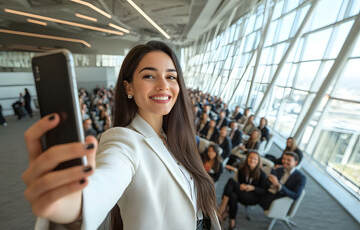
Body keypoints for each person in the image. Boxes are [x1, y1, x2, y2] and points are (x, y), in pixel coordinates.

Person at [22, 41, 221, 230]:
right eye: (149, 76)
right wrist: (70, 205)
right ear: (129, 87)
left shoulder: (176, 139)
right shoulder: (123, 141)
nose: (163, 85)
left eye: (171, 76)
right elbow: (106, 180)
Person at [219, 151, 267, 229]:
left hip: (253, 198)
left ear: (258, 161)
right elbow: (240, 183)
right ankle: (232, 222)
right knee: (233, 195)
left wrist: (252, 188)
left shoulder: (262, 174)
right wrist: (242, 186)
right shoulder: (242, 169)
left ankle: (223, 207)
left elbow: (263, 191)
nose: (252, 160)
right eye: (250, 158)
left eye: (255, 159)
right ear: (247, 158)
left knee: (231, 181)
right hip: (242, 193)